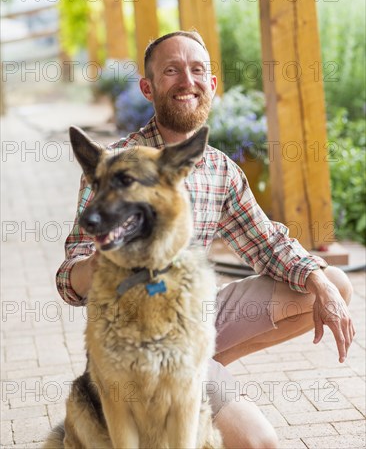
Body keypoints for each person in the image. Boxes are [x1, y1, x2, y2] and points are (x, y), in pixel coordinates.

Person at [57, 30, 354, 449]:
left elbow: (267, 244)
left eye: (198, 71)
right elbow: (69, 279)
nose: (187, 81)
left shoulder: (219, 168)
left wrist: (320, 283)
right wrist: (105, 259)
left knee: (332, 283)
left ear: (212, 85)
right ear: (148, 88)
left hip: (200, 317)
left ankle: (202, 370)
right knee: (258, 443)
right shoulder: (116, 166)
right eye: (171, 71)